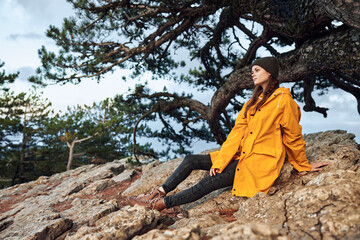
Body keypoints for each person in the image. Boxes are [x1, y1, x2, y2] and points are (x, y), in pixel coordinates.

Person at [127, 56, 328, 211]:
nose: (253, 74)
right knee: (190, 160)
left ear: (270, 73)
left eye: (257, 70)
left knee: (208, 183)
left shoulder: (284, 102)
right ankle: (157, 193)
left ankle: (160, 205)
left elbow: (292, 135)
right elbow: (236, 134)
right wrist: (221, 161)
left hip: (258, 161)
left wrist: (303, 165)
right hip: (240, 155)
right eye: (252, 71)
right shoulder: (251, 103)